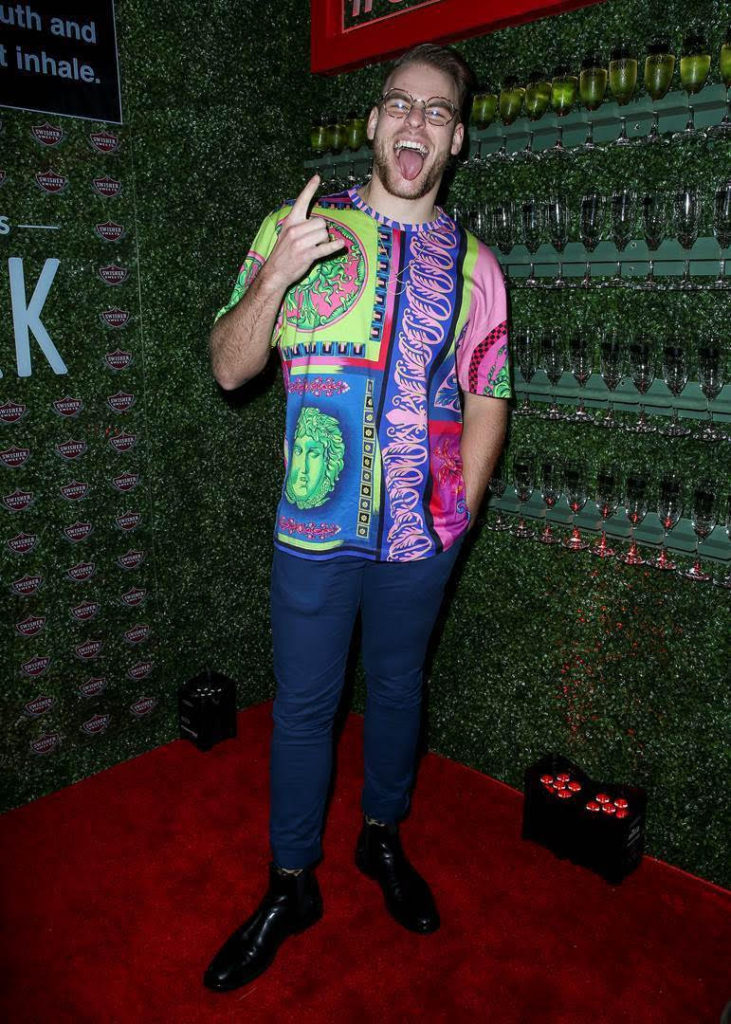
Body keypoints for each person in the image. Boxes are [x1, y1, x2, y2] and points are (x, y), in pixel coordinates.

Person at [205, 42, 511, 993]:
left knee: (398, 688)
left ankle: (381, 836)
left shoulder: (478, 267)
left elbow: (489, 391)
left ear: (455, 140)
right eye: (399, 103)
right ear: (374, 122)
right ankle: (290, 883)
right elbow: (229, 368)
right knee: (303, 708)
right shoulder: (297, 228)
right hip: (314, 523)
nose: (415, 121)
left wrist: (460, 512)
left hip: (423, 531)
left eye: (436, 110)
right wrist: (273, 276)